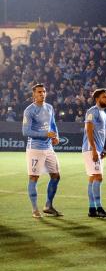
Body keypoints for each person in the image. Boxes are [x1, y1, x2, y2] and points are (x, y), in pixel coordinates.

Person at [22, 84, 62, 218]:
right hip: (35, 148)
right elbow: (26, 131)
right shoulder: (29, 110)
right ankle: (35, 210)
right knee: (34, 177)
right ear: (33, 94)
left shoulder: (49, 107)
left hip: (48, 147)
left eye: (44, 91)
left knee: (56, 176)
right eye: (39, 92)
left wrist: (56, 136)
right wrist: (46, 134)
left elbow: (53, 124)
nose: (42, 94)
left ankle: (48, 206)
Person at [83, 88, 106, 217]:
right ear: (97, 99)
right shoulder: (92, 112)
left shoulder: (104, 114)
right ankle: (99, 208)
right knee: (98, 177)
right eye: (104, 97)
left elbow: (103, 133)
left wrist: (105, 148)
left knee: (93, 177)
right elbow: (89, 130)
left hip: (99, 149)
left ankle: (92, 209)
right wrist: (94, 149)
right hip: (91, 149)